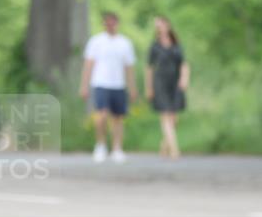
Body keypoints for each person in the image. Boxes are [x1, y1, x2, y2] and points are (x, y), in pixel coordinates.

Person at [80, 12, 138, 163]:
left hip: (118, 84)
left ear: (117, 24)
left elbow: (129, 68)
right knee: (101, 115)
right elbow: (88, 65)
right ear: (104, 24)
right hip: (100, 83)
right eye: (107, 23)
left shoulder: (125, 43)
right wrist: (84, 85)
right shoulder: (96, 41)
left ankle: (117, 148)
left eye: (113, 22)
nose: (110, 25)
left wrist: (132, 87)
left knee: (118, 118)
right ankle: (100, 145)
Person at [145, 16, 190, 159]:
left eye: (161, 24)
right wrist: (149, 87)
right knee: (165, 114)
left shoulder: (177, 45)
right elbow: (149, 68)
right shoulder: (155, 46)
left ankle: (164, 145)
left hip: (175, 82)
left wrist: (184, 79)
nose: (159, 27)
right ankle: (174, 150)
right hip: (160, 82)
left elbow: (184, 64)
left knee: (174, 118)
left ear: (168, 25)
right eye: (157, 26)